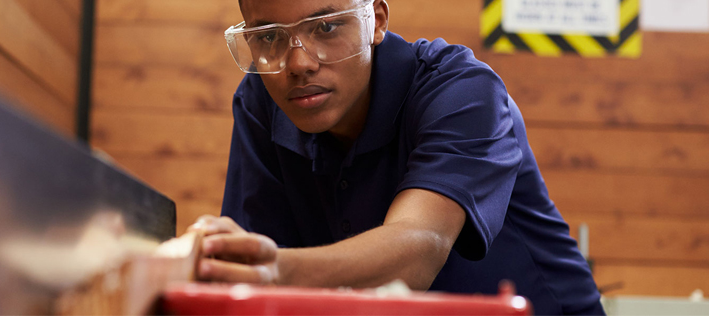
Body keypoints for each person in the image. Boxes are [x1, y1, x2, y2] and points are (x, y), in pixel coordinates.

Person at [187, 0, 605, 314]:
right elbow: (259, 261)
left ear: (377, 21)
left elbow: (419, 247)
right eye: (268, 37)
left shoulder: (464, 91)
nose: (298, 63)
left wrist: (275, 270)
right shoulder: (261, 100)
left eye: (328, 26)